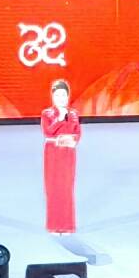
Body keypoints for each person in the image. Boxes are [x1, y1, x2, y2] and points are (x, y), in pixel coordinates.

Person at [39, 75, 83, 238]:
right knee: (53, 188)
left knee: (67, 188)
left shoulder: (74, 114)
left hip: (68, 154)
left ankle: (67, 226)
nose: (61, 98)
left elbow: (77, 132)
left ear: (68, 96)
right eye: (57, 95)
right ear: (52, 96)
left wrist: (73, 140)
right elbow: (48, 131)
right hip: (52, 153)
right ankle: (53, 226)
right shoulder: (47, 114)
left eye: (63, 95)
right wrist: (59, 118)